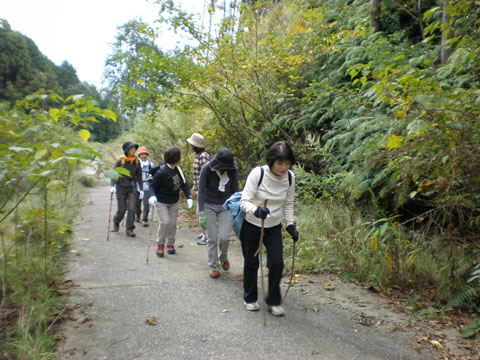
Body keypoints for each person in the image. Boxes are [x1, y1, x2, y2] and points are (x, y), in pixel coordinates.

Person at [239, 141, 299, 316]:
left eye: (287, 163)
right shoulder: (258, 174)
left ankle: (273, 300)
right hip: (252, 224)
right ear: (271, 161)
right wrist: (256, 210)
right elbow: (244, 201)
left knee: (277, 263)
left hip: (273, 226)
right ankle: (250, 298)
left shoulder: (290, 177)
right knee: (251, 263)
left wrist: (290, 224)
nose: (284, 167)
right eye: (280, 163)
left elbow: (288, 203)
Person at [198, 148, 239, 279]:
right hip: (208, 205)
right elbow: (201, 190)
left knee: (225, 237)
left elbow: (234, 189)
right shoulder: (206, 169)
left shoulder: (232, 169)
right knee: (212, 238)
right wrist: (201, 211)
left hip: (225, 205)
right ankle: (213, 266)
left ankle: (223, 258)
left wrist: (236, 208)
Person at [149, 146, 193, 258]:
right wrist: (152, 196)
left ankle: (170, 243)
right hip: (161, 201)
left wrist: (188, 196)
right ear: (175, 158)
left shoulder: (178, 169)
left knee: (172, 224)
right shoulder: (161, 171)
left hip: (174, 201)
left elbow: (183, 183)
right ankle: (160, 244)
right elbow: (152, 186)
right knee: (165, 222)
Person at [110, 141, 144, 237]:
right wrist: (112, 186)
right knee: (122, 209)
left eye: (134, 148)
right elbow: (114, 174)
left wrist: (141, 189)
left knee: (132, 208)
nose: (134, 150)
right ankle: (116, 221)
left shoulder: (136, 161)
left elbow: (139, 175)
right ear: (127, 150)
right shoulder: (120, 161)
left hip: (131, 187)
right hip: (120, 187)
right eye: (131, 148)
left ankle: (130, 228)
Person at [187, 133, 211, 245]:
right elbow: (197, 175)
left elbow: (206, 174)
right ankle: (203, 233)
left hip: (205, 191)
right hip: (199, 190)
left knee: (202, 213)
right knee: (199, 213)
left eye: (191, 143)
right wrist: (194, 187)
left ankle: (208, 236)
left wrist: (201, 188)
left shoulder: (204, 156)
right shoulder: (198, 155)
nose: (190, 145)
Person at [135, 147, 155, 227]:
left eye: (145, 154)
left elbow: (153, 174)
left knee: (146, 203)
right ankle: (138, 214)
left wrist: (151, 179)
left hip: (147, 185)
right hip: (137, 186)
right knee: (136, 203)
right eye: (142, 154)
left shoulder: (151, 164)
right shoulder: (135, 164)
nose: (144, 155)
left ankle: (144, 219)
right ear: (139, 155)